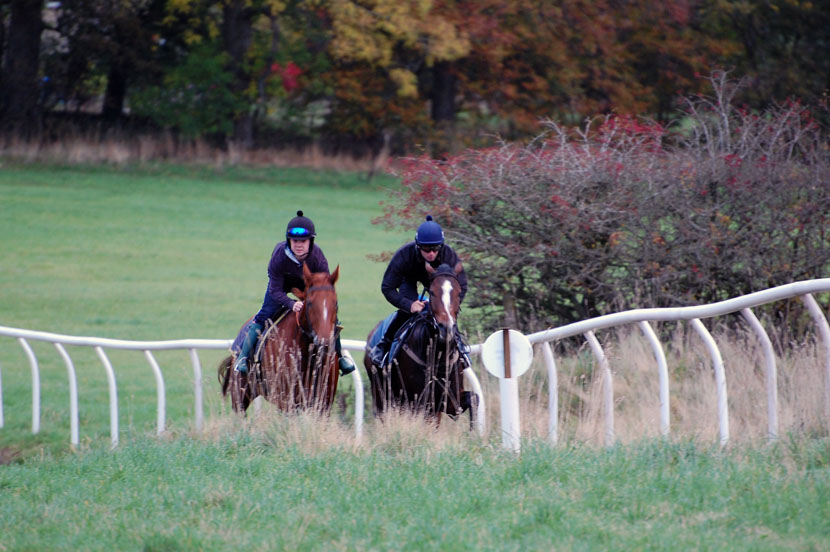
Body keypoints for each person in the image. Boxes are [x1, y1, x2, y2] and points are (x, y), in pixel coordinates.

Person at [233, 210, 356, 376]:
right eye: (294, 240)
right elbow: (275, 290)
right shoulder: (279, 256)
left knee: (328, 314)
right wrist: (291, 304)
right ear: (288, 240)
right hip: (281, 286)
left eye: (303, 241)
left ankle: (341, 357)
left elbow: (326, 286)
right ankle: (243, 357)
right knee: (265, 314)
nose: (298, 244)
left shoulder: (318, 257)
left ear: (310, 241)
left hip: (309, 285)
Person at [370, 215, 469, 367]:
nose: (431, 253)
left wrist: (448, 307)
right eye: (426, 249)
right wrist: (409, 305)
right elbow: (387, 287)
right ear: (418, 246)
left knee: (446, 313)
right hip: (409, 280)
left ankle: (460, 346)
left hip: (440, 283)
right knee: (408, 311)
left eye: (435, 249)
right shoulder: (404, 255)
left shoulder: (448, 256)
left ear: (440, 246)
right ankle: (385, 344)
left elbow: (461, 286)